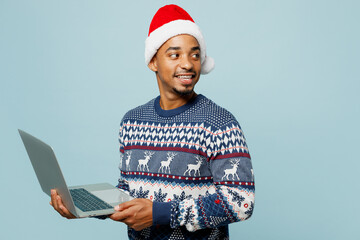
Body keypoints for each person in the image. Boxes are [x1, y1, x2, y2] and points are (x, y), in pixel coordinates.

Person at [50, 4, 255, 240]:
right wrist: (84, 207)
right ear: (153, 62)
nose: (187, 63)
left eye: (195, 54)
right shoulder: (132, 121)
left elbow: (241, 201)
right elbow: (129, 192)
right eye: (174, 54)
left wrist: (161, 213)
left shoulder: (219, 122)